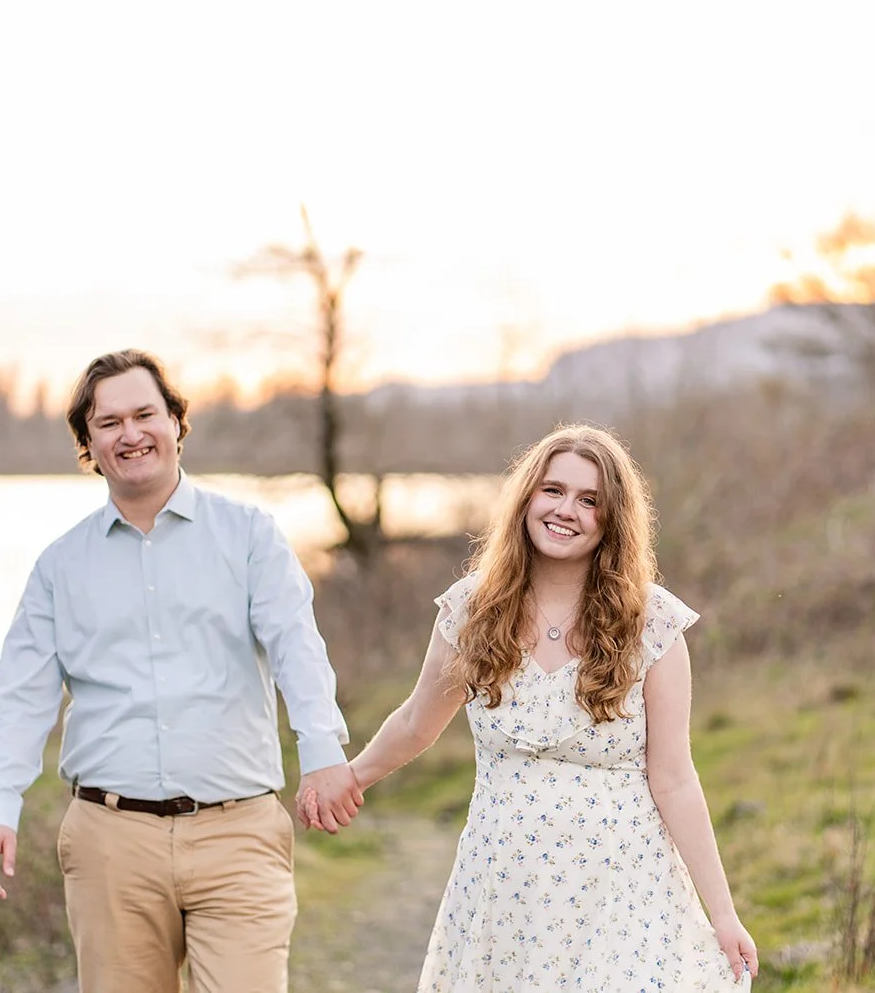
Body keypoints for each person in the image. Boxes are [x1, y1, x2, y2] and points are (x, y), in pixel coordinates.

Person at [303, 424, 758, 990]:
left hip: (621, 892)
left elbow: (674, 779)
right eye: (553, 490)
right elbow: (419, 721)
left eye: (589, 500)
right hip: (503, 891)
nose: (567, 510)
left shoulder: (652, 622)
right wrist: (350, 778)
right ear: (525, 500)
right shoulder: (473, 608)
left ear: (611, 519)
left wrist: (723, 914)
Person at [0, 348, 364, 993]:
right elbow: (20, 700)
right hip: (109, 843)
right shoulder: (60, 567)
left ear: (176, 421)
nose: (131, 434)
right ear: (88, 443)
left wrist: (321, 752)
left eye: (145, 414)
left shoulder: (249, 536)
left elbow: (297, 646)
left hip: (238, 834)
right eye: (109, 422)